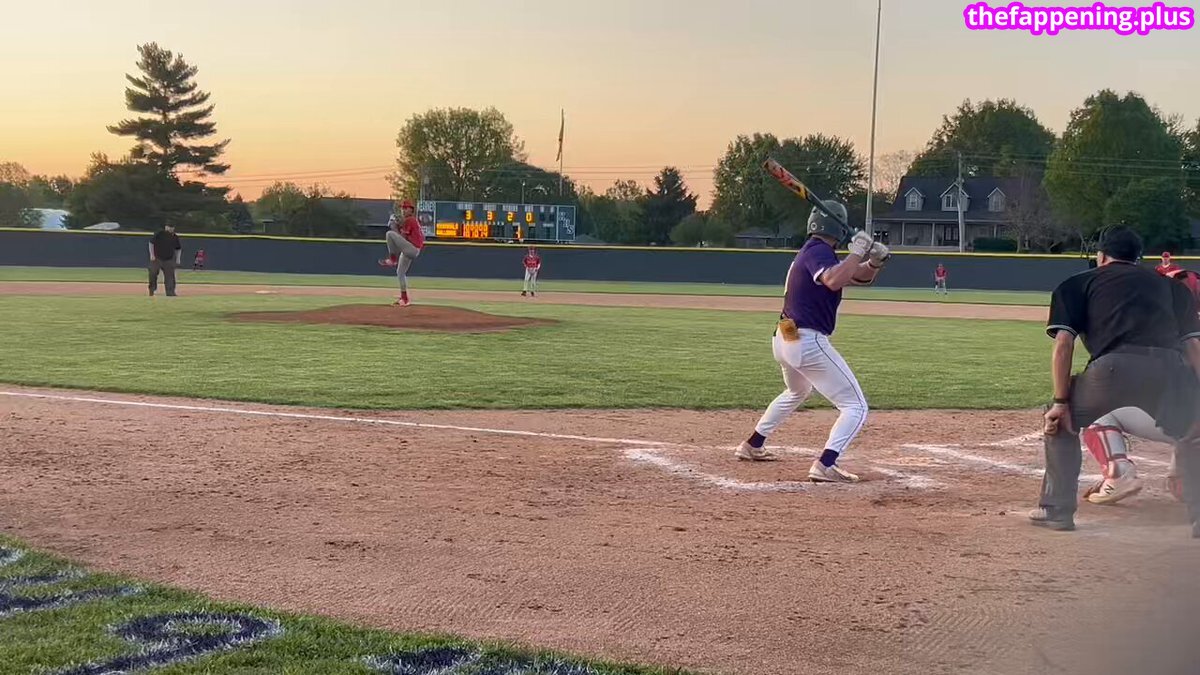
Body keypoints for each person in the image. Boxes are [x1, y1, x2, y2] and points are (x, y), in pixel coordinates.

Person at [1032, 226, 1200, 537]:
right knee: (1193, 433)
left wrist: (1060, 402)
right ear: (1138, 257)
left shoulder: (1078, 283)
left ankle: (1056, 511)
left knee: (1060, 422)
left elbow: (1064, 345)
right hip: (1170, 371)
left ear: (1101, 255)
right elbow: (1193, 347)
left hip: (1111, 370)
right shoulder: (1173, 288)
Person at [734, 201, 891, 483]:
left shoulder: (814, 251)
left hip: (786, 336)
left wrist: (874, 262)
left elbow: (855, 277)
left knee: (797, 391)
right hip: (806, 340)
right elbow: (833, 280)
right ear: (838, 227)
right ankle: (826, 464)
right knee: (855, 406)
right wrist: (857, 251)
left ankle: (753, 444)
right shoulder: (818, 251)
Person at [378, 200, 425, 307]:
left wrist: (394, 226)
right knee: (400, 273)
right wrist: (398, 225)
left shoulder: (410, 220)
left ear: (411, 210)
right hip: (410, 248)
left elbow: (401, 237)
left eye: (406, 208)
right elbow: (403, 237)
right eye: (402, 208)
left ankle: (392, 259)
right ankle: (404, 299)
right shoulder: (410, 220)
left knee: (389, 234)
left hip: (412, 248)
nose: (403, 210)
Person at [148, 223, 182, 297]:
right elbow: (151, 243)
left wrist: (178, 259)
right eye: (169, 227)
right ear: (166, 227)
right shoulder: (160, 233)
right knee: (153, 272)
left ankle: (170, 292)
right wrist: (152, 254)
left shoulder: (174, 237)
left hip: (169, 259)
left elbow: (178, 249)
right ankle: (152, 290)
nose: (170, 228)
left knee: (170, 276)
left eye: (172, 227)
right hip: (157, 258)